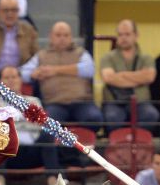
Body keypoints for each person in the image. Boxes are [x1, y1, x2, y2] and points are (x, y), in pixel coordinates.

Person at [20, 21, 103, 174]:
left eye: (66, 35)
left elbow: (89, 69)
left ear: (71, 37)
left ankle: (78, 158)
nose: (62, 38)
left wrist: (54, 70)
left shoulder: (81, 53)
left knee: (95, 119)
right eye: (58, 35)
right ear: (51, 37)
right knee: (47, 128)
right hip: (55, 104)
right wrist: (34, 73)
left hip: (81, 102)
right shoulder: (41, 56)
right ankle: (56, 170)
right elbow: (23, 72)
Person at [100, 19, 159, 133]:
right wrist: (138, 78)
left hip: (140, 102)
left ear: (136, 35)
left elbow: (149, 77)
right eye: (120, 35)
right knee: (112, 118)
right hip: (114, 103)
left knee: (151, 115)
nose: (123, 38)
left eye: (127, 34)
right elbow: (108, 78)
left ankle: (140, 147)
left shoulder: (146, 58)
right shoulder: (107, 57)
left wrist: (121, 75)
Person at [0, 65, 43, 183]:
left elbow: (38, 124)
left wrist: (13, 122)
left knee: (47, 135)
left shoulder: (33, 101)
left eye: (14, 77)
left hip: (31, 149)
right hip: (7, 150)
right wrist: (24, 122)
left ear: (20, 80)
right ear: (0, 82)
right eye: (7, 77)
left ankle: (53, 179)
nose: (11, 80)